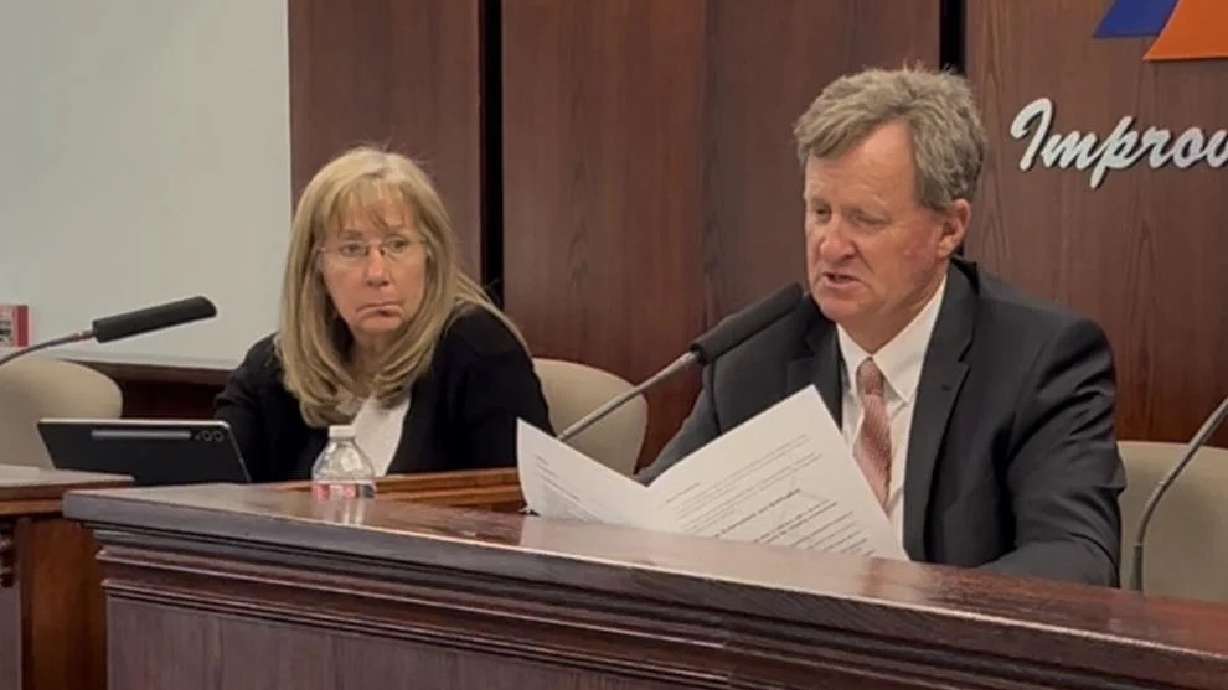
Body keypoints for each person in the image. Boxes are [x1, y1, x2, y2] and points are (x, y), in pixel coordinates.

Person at [638, 67, 1125, 586]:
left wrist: (909, 610)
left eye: (864, 220)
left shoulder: (1040, 360)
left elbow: (1077, 561)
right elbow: (647, 516)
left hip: (945, 661)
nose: (831, 245)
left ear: (949, 229)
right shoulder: (755, 356)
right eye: (820, 211)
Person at [216, 146, 551, 481]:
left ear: (430, 256)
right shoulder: (274, 368)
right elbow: (209, 489)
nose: (377, 273)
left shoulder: (480, 352)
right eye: (352, 249)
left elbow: (520, 507)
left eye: (398, 245)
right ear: (316, 266)